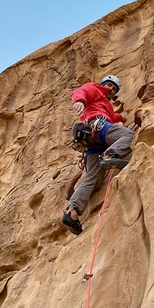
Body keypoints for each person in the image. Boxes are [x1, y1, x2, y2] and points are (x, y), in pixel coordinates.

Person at [62, 75, 135, 235]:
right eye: (109, 85)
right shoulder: (94, 89)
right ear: (102, 84)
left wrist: (120, 117)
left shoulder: (104, 104)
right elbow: (81, 91)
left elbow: (110, 116)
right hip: (97, 126)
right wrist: (80, 101)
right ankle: (110, 155)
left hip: (92, 141)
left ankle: (72, 212)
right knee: (130, 136)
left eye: (114, 89)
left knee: (94, 176)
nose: (111, 89)